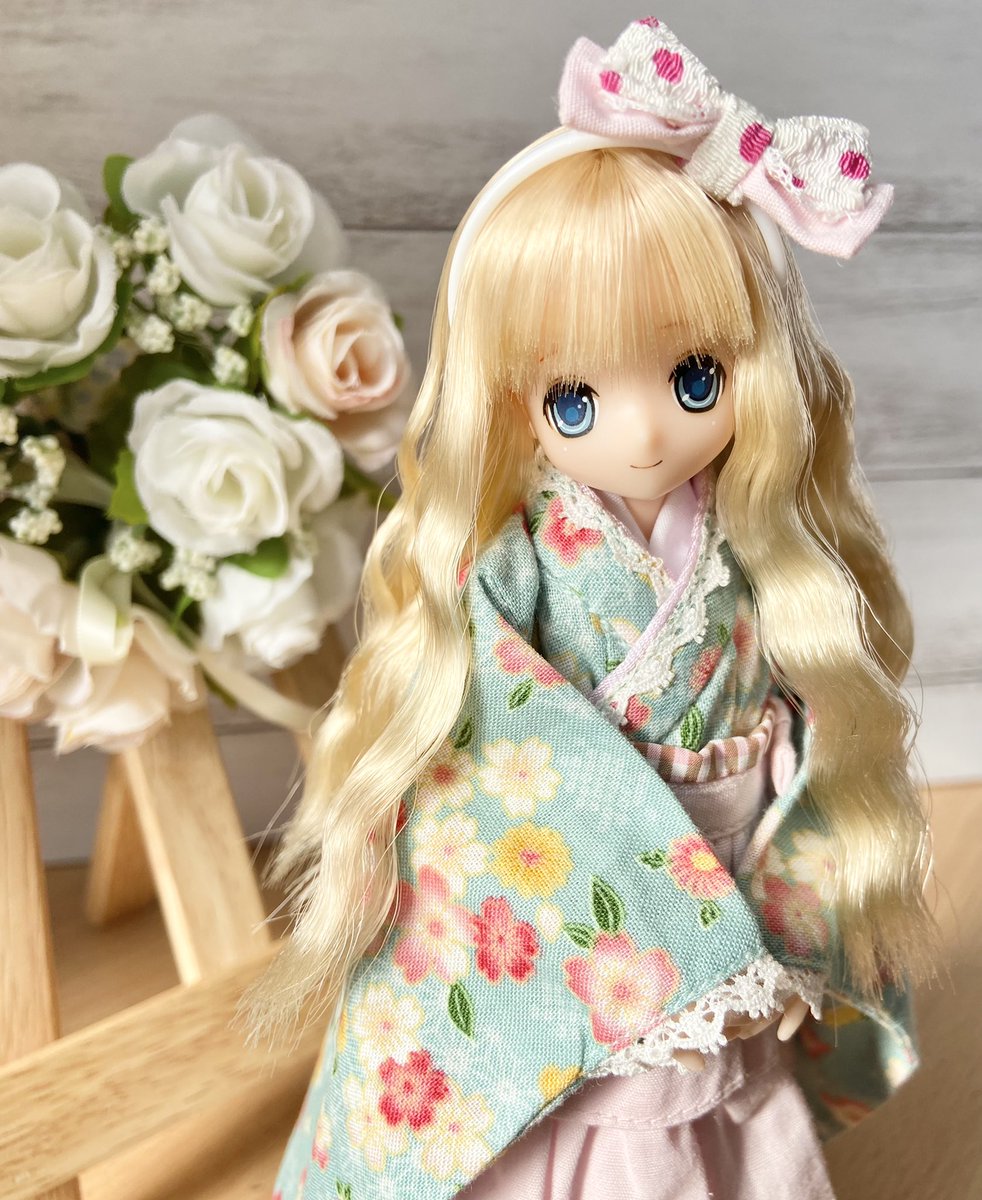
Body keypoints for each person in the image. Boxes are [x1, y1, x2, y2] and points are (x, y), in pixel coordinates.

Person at [258, 18, 934, 1200]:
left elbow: (803, 735)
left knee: (722, 1112)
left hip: (738, 884)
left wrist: (790, 911)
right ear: (514, 396)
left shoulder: (758, 547)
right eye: (573, 396)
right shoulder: (517, 571)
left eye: (693, 377)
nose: (643, 433)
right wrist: (657, 920)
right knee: (612, 1110)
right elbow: (499, 764)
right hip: (573, 899)